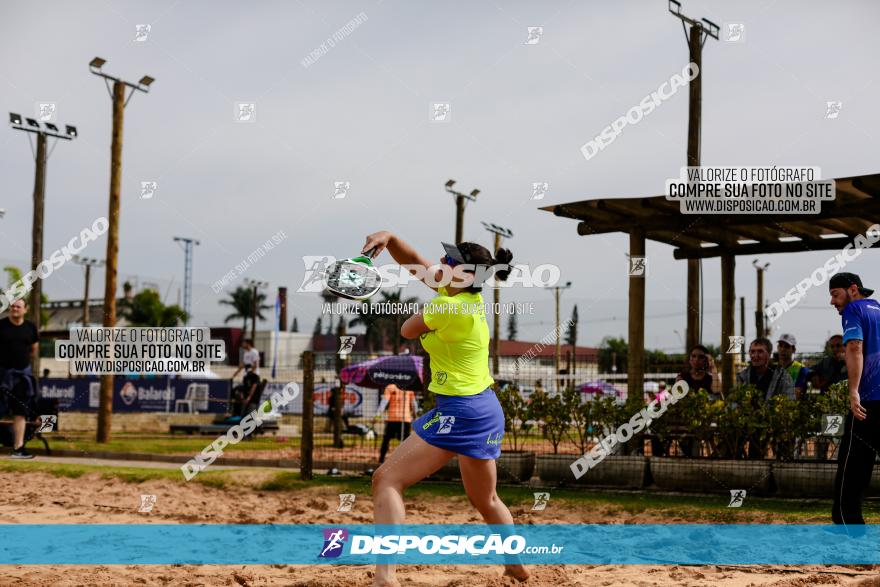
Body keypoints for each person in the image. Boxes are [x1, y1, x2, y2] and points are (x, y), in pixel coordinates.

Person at [363, 231, 528, 586]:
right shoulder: (465, 300)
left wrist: (428, 299)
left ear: (464, 275)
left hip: (461, 411)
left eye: (449, 262)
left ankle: (385, 578)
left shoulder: (446, 306)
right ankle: (516, 564)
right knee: (486, 498)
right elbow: (416, 265)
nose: (440, 265)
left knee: (386, 479)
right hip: (487, 409)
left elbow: (407, 329)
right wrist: (390, 238)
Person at [828, 273, 880, 525]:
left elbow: (854, 347)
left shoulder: (854, 309)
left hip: (867, 403)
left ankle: (848, 527)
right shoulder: (878, 309)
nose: (832, 301)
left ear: (853, 289)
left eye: (835, 294)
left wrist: (853, 390)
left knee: (852, 467)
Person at [736, 338, 795, 459]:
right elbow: (735, 402)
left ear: (769, 354)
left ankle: (783, 467)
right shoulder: (743, 376)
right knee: (732, 434)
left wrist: (772, 416)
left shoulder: (782, 376)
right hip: (749, 423)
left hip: (774, 422)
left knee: (785, 438)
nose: (755, 355)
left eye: (760, 352)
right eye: (752, 352)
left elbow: (790, 402)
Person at [0, 299, 39, 459]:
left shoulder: (30, 328)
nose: (14, 309)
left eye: (18, 306)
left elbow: (34, 348)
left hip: (23, 377)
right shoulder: (1, 326)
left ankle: (18, 448)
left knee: (20, 412)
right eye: (12, 306)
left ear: (25, 310)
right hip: (2, 376)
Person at [374, 383, 417, 463]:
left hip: (393, 418)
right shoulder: (409, 387)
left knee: (386, 440)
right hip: (405, 419)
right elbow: (414, 404)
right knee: (406, 442)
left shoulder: (390, 387)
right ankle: (406, 461)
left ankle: (381, 459)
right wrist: (415, 416)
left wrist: (377, 415)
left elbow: (384, 402)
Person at [775, 334, 810, 398]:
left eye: (787, 346)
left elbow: (796, 396)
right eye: (780, 345)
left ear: (793, 350)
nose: (782, 349)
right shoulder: (773, 367)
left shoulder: (801, 369)